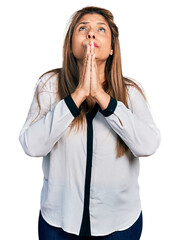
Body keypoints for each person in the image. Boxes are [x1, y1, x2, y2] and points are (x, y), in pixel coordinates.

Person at [19, 6, 161, 240]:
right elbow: (31, 146)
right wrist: (78, 95)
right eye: (82, 28)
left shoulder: (130, 92)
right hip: (58, 224)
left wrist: (103, 98)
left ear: (113, 48)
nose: (91, 34)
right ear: (70, 45)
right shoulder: (49, 85)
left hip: (119, 226)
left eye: (100, 29)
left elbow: (148, 145)